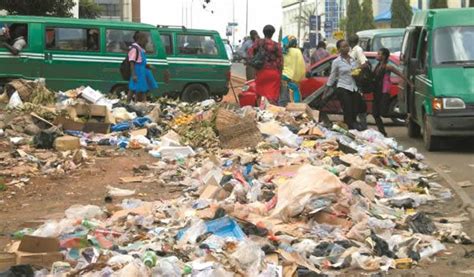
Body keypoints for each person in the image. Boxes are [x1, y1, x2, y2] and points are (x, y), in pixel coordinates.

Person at [372, 48, 414, 136]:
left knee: (383, 113)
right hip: (377, 92)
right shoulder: (378, 66)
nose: (377, 55)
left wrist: (410, 83)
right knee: (375, 113)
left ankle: (404, 116)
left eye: (379, 54)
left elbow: (400, 74)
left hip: (384, 92)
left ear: (383, 56)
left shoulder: (388, 67)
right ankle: (383, 133)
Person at [326, 39, 360, 130]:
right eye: (343, 46)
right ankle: (350, 130)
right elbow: (332, 76)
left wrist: (357, 72)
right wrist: (327, 89)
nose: (346, 48)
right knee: (347, 110)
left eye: (347, 46)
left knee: (354, 111)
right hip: (343, 87)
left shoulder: (353, 59)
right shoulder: (336, 61)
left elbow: (357, 71)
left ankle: (352, 129)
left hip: (354, 88)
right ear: (339, 49)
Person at [248, 25, 282, 105]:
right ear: (273, 33)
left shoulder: (259, 42)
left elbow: (250, 53)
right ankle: (271, 111)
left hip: (262, 72)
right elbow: (281, 61)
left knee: (261, 93)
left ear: (263, 32)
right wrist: (280, 74)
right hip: (274, 73)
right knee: (273, 95)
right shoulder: (277, 45)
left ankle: (261, 111)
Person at [127, 31, 158, 103]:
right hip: (137, 71)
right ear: (140, 39)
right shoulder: (134, 49)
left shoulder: (140, 49)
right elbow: (132, 62)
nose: (146, 42)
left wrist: (148, 66)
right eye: (145, 40)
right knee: (135, 89)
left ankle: (138, 103)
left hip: (142, 70)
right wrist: (134, 74)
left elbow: (140, 61)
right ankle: (129, 102)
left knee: (140, 88)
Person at [348, 34, 369, 130]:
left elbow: (364, 64)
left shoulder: (358, 50)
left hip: (357, 80)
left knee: (359, 103)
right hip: (351, 80)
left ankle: (363, 126)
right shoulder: (351, 50)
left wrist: (354, 70)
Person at [280, 35, 306, 106]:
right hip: (291, 78)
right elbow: (301, 66)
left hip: (282, 77)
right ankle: (296, 109)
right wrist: (299, 78)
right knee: (295, 93)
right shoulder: (297, 51)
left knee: (283, 98)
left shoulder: (283, 51)